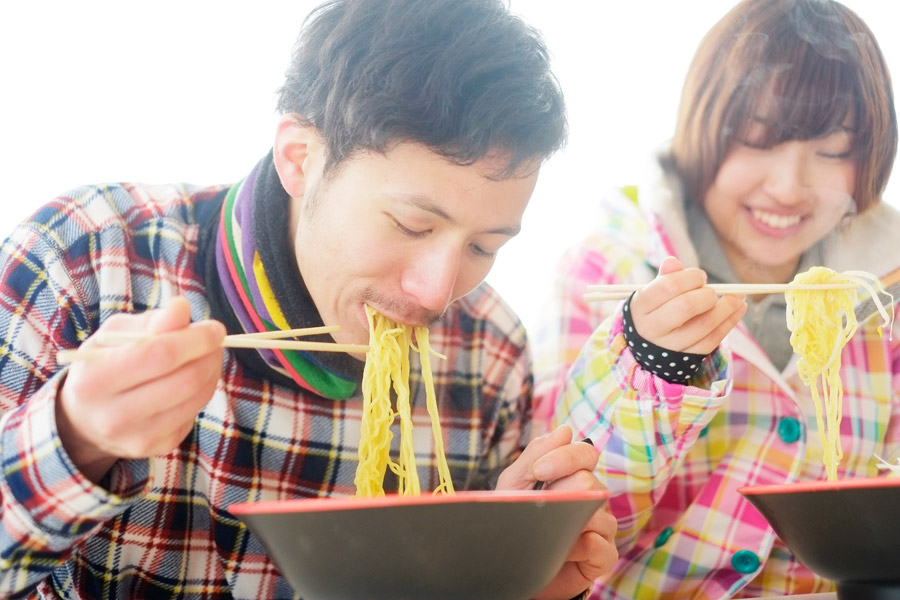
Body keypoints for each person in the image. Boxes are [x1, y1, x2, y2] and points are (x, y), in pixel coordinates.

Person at [0, 1, 619, 598]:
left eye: (483, 247)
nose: (436, 292)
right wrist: (74, 438)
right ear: (301, 157)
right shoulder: (85, 261)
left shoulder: (488, 349)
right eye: (411, 225)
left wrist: (504, 574)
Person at [534, 0, 898, 597]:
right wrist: (656, 367)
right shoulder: (603, 269)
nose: (787, 187)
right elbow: (565, 527)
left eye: (832, 151)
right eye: (757, 141)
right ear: (702, 132)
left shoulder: (882, 296)